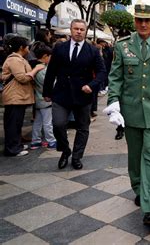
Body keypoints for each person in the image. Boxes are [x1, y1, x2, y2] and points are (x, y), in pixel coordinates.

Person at [104, 3, 150, 225]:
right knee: (135, 156)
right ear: (134, 22)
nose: (143, 24)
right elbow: (115, 77)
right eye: (139, 20)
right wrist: (113, 102)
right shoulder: (122, 46)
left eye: (148, 20)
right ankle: (138, 187)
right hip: (131, 111)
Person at [43, 19, 106, 170]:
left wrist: (91, 86)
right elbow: (51, 71)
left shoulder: (92, 50)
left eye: (81, 29)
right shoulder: (60, 48)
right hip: (61, 94)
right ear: (71, 30)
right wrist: (47, 91)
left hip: (82, 96)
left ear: (85, 32)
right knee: (58, 124)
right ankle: (65, 151)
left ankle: (77, 156)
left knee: (83, 128)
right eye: (76, 29)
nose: (78, 31)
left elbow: (102, 72)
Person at [2, 36, 45, 156]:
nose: (28, 49)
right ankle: (12, 149)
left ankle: (16, 145)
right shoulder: (14, 60)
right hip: (14, 96)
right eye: (27, 46)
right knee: (13, 124)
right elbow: (23, 78)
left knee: (16, 123)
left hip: (18, 96)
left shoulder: (19, 59)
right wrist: (36, 69)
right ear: (22, 47)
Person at [30, 46, 56, 149]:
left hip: (37, 99)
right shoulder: (42, 70)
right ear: (45, 56)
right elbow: (49, 84)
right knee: (47, 122)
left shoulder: (34, 66)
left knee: (38, 122)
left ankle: (35, 141)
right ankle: (51, 141)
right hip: (45, 100)